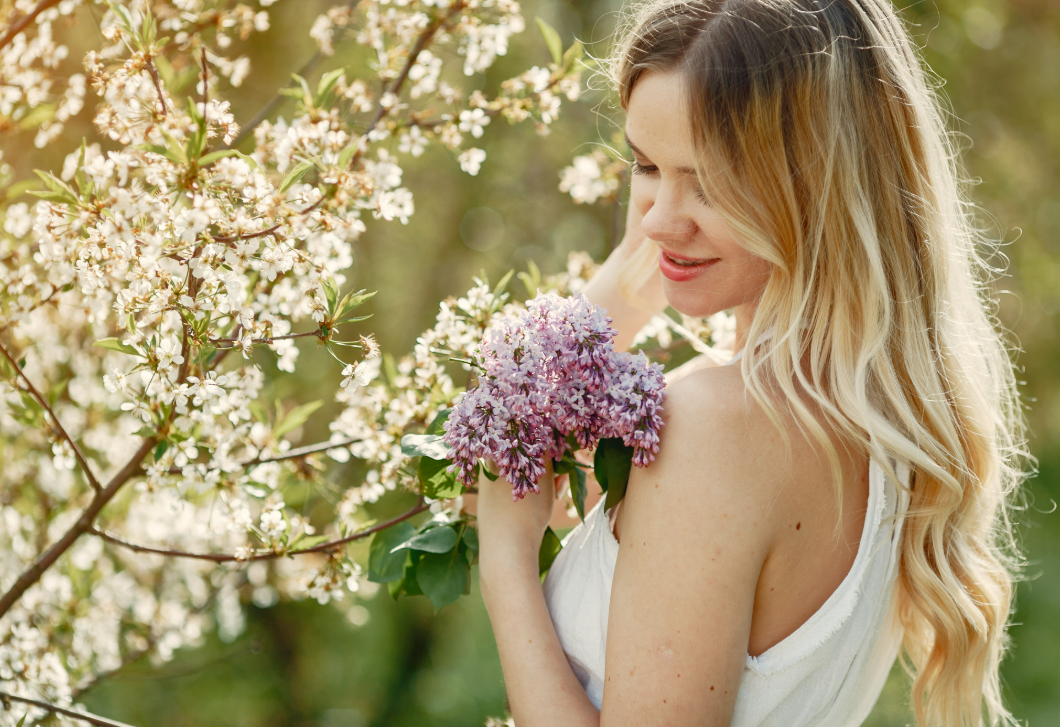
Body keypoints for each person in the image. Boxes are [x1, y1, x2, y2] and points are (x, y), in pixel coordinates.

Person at [473, 0, 1027, 725]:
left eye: (711, 181)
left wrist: (506, 560)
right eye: (645, 163)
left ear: (818, 184)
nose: (660, 219)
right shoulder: (888, 437)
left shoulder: (713, 428)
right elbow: (532, 382)